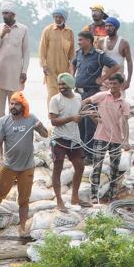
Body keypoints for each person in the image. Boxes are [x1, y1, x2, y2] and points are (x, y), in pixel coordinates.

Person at [0, 92, 49, 237]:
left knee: (24, 199)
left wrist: (40, 127)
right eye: (11, 104)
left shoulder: (31, 118)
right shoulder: (3, 121)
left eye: (16, 104)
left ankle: (22, 227)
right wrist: (0, 159)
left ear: (23, 106)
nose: (13, 106)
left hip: (27, 167)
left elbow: (45, 134)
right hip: (8, 166)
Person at [81, 74, 131, 204]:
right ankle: (94, 195)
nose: (112, 86)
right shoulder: (102, 96)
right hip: (100, 137)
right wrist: (89, 114)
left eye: (115, 84)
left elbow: (125, 122)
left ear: (121, 85)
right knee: (97, 166)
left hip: (116, 140)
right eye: (110, 83)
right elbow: (85, 102)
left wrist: (126, 140)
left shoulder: (124, 103)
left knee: (114, 169)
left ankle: (112, 195)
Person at [71, 31, 120, 161]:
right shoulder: (79, 53)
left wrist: (103, 78)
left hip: (92, 92)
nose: (78, 42)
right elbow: (73, 63)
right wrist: (72, 76)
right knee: (79, 123)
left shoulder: (98, 55)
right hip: (78, 93)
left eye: (81, 40)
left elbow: (115, 66)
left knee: (90, 124)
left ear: (88, 41)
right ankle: (81, 152)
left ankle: (90, 155)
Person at [48, 73, 88, 210]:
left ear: (71, 84)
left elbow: (80, 113)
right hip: (59, 139)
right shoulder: (55, 99)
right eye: (59, 84)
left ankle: (75, 197)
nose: (61, 87)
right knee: (57, 169)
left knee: (80, 167)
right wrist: (71, 118)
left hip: (74, 139)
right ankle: (59, 200)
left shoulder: (78, 97)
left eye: (64, 84)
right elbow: (53, 121)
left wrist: (90, 115)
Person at [0, 1, 31, 127]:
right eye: (3, 13)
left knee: (15, 106)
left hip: (15, 76)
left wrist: (24, 71)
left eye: (7, 13)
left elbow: (26, 52)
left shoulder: (23, 29)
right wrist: (1, 35)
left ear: (13, 14)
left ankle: (13, 130)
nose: (4, 15)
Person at [39, 8, 76, 102]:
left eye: (60, 17)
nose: (57, 19)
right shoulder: (48, 30)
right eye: (55, 17)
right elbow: (42, 50)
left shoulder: (69, 32)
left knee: (64, 94)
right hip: (50, 70)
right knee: (52, 95)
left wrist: (72, 71)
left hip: (65, 70)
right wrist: (44, 66)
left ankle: (63, 116)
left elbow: (72, 53)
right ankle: (51, 116)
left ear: (64, 18)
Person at [99, 17, 134, 91]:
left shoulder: (123, 43)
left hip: (119, 80)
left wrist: (128, 81)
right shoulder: (101, 42)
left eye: (110, 26)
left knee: (118, 101)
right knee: (102, 101)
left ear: (116, 28)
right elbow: (97, 61)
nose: (108, 28)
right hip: (104, 80)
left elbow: (129, 61)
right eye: (106, 26)